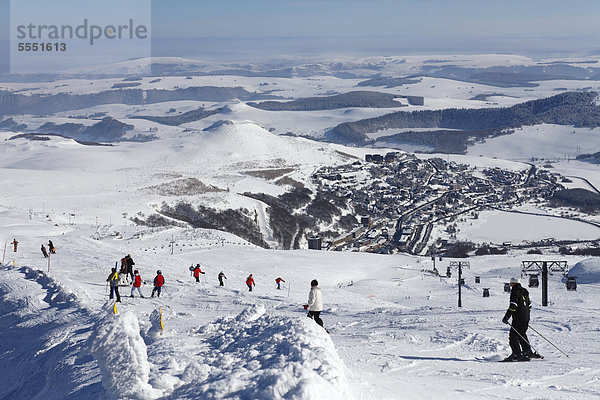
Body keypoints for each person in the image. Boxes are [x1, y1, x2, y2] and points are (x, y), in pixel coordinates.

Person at [502, 277, 538, 361]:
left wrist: (506, 317)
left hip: (518, 317)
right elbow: (528, 305)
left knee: (513, 336)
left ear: (514, 283)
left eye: (511, 283)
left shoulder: (515, 292)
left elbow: (513, 306)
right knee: (522, 334)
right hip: (526, 317)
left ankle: (516, 354)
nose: (510, 285)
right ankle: (527, 351)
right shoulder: (525, 291)